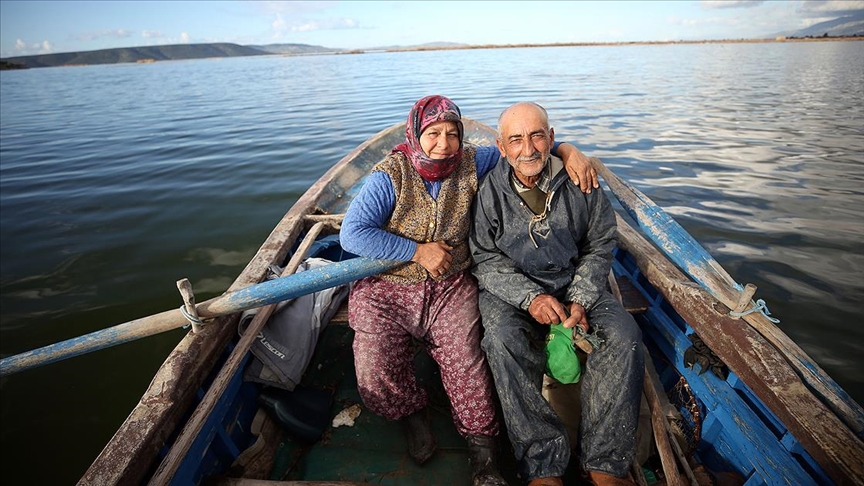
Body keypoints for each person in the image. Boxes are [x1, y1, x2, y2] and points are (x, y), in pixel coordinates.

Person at [340, 95, 597, 486]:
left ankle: (483, 454)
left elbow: (523, 152)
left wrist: (567, 149)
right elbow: (353, 233)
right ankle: (412, 413)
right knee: (374, 369)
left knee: (467, 362)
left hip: (450, 284)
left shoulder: (474, 162)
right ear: (415, 134)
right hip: (387, 286)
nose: (443, 143)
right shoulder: (389, 176)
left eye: (452, 134)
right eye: (433, 133)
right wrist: (415, 251)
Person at [469, 102, 644, 486]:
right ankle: (543, 464)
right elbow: (484, 259)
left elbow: (600, 243)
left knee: (625, 337)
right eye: (516, 139)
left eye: (536, 135)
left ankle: (605, 463)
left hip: (574, 278)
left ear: (551, 138)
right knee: (500, 340)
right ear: (501, 147)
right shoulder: (488, 192)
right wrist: (530, 298)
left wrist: (579, 298)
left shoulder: (580, 179)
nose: (528, 148)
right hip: (513, 288)